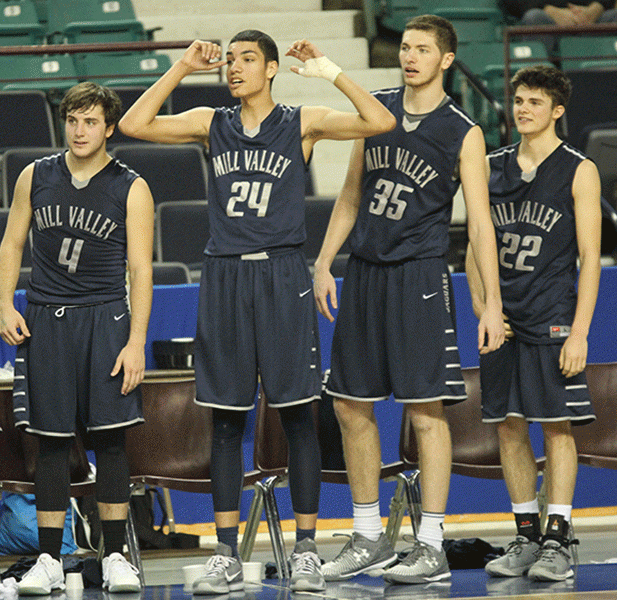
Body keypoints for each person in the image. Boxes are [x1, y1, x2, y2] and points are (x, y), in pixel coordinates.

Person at [119, 31, 396, 594]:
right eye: (233, 60)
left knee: (297, 416)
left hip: (282, 272)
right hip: (224, 274)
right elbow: (133, 124)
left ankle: (307, 551)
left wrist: (328, 69)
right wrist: (181, 66)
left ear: (271, 69)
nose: (235, 69)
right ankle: (225, 554)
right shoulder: (210, 121)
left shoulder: (302, 120)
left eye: (249, 60)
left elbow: (380, 122)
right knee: (225, 419)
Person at [312, 15, 506, 585]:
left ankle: (431, 544)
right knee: (349, 404)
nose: (409, 56)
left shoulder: (462, 130)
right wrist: (325, 261)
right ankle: (369, 535)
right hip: (365, 272)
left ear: (446, 59)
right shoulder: (376, 110)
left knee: (425, 412)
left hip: (419, 275)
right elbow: (350, 195)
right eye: (404, 47)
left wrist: (490, 301)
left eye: (422, 49)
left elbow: (481, 226)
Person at [0, 81, 154, 595]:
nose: (80, 130)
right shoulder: (34, 176)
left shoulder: (131, 186)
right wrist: (4, 304)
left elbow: (141, 270)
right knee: (50, 444)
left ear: (110, 128)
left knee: (109, 440)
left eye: (91, 122)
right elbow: (11, 243)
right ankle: (46, 558)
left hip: (105, 317)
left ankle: (114, 556)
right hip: (46, 318)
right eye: (73, 120)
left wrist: (135, 341)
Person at [468, 65, 600, 582]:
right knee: (507, 425)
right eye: (519, 100)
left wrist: (581, 330)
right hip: (502, 317)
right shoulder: (489, 165)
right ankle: (526, 534)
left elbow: (590, 258)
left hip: (551, 317)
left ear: (557, 111)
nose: (523, 109)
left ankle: (558, 540)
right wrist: (485, 309)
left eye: (535, 102)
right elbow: (474, 251)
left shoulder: (577, 169)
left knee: (557, 426)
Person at [501, 0, 617, 56]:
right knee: (534, 17)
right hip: (547, 18)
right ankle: (541, 83)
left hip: (592, 19)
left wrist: (598, 6)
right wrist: (550, 10)